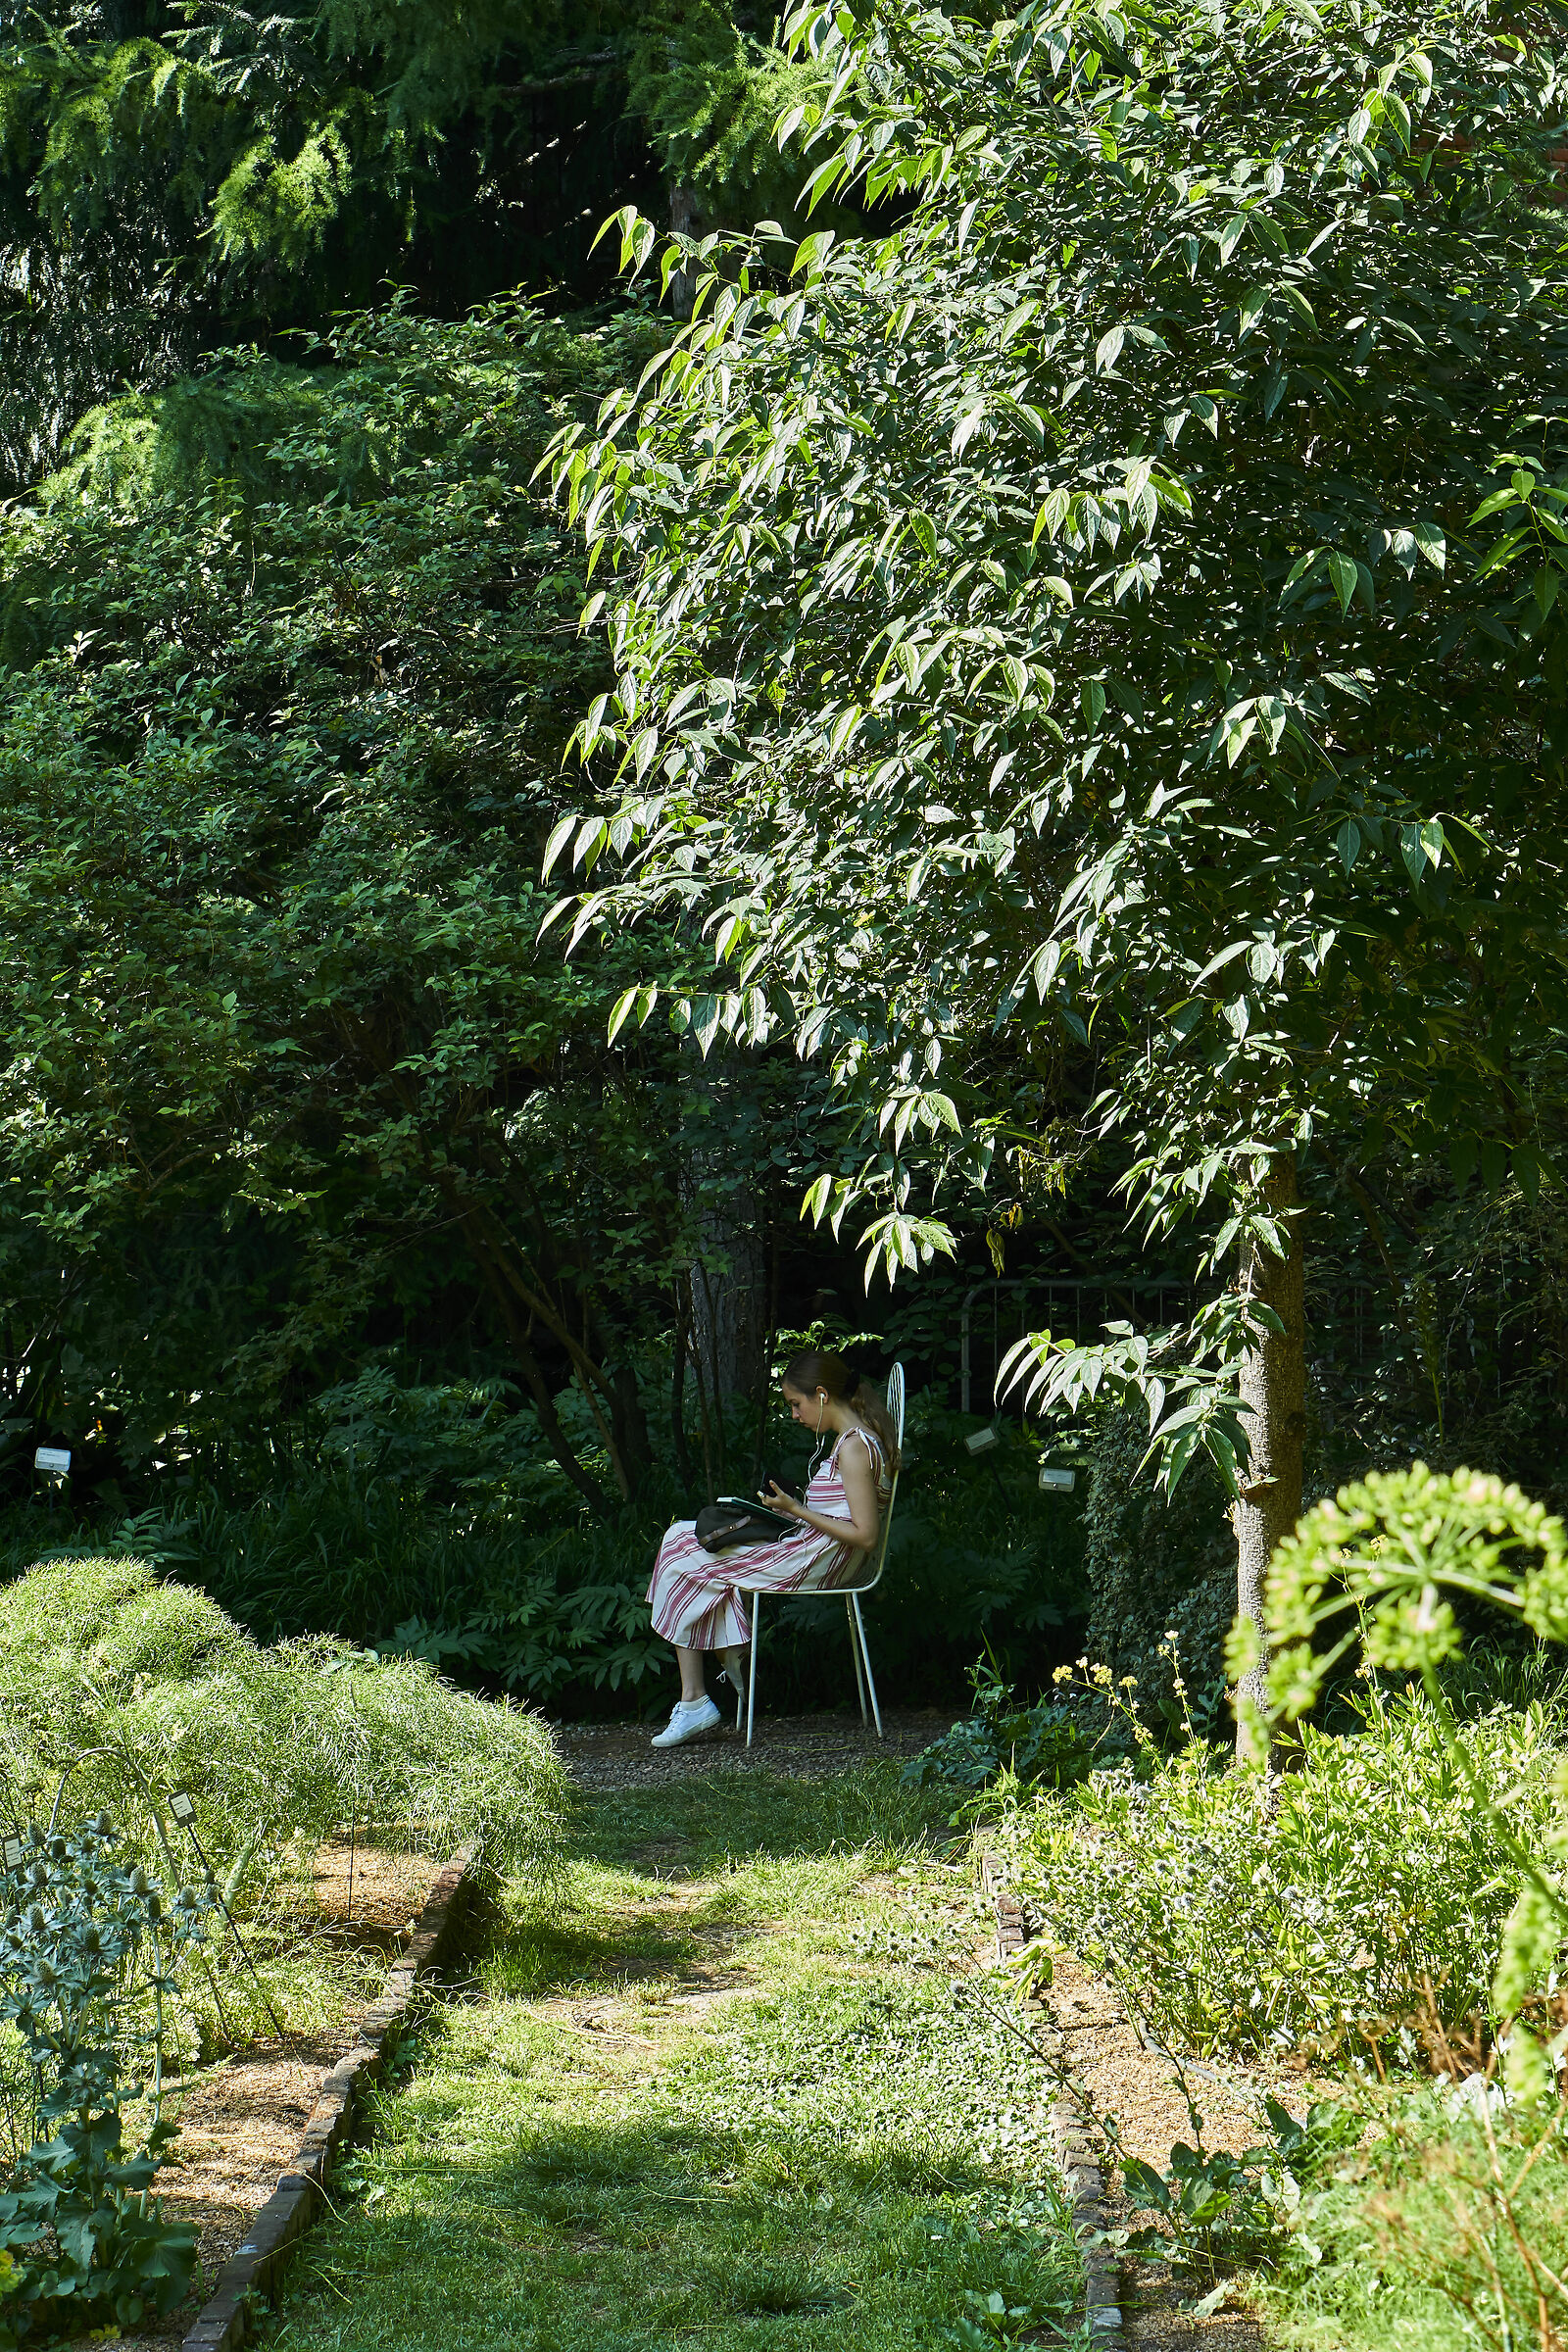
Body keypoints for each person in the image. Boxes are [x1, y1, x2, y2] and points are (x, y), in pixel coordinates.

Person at [645, 1350, 901, 1747]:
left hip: (819, 1561)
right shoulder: (853, 1440)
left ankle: (703, 1687)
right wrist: (787, 1514)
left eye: (796, 1404)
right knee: (685, 1537)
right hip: (816, 1552)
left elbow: (866, 1535)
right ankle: (716, 1668)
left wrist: (796, 1510)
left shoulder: (854, 1447)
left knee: (681, 1545)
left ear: (821, 1395)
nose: (795, 1415)